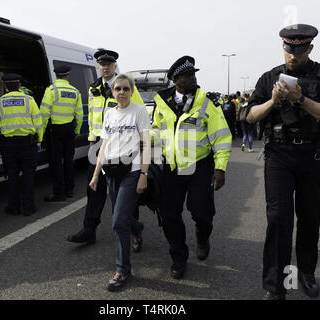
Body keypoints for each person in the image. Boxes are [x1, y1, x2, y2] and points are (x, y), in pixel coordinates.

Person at [246, 24, 320, 300]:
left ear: (310, 48)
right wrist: (273, 101)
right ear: (283, 47)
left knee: (309, 218)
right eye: (289, 48)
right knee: (278, 221)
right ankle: (276, 286)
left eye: (300, 49)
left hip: (312, 156)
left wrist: (301, 99)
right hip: (279, 156)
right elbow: (250, 115)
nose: (294, 54)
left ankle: (306, 273)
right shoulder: (269, 78)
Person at [151, 56, 232, 279]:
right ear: (176, 80)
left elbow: (222, 136)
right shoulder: (162, 102)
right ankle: (179, 257)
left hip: (199, 166)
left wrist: (220, 167)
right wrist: (146, 139)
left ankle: (202, 236)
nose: (193, 78)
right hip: (171, 167)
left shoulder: (206, 101)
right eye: (187, 76)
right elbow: (158, 130)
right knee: (169, 215)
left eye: (194, 74)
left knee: (202, 212)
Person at [67, 49, 145, 252]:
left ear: (114, 66)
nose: (105, 67)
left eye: (109, 64)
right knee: (94, 188)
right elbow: (93, 118)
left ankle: (133, 231)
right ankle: (89, 229)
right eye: (102, 64)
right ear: (98, 67)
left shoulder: (124, 86)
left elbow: (137, 114)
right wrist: (93, 141)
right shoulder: (93, 88)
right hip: (99, 144)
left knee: (125, 191)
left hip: (123, 146)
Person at [89, 74, 150, 291]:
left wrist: (143, 173)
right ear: (112, 92)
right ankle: (138, 227)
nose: (121, 92)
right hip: (110, 172)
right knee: (121, 218)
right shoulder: (109, 114)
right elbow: (103, 146)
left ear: (132, 91)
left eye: (125, 88)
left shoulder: (139, 111)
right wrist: (96, 174)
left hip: (131, 172)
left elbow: (146, 144)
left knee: (117, 222)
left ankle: (122, 269)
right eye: (117, 89)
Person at [0, 73, 44, 216]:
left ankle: (13, 207)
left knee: (12, 177)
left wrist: (1, 135)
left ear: (6, 87)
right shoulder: (29, 100)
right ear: (19, 86)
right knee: (28, 176)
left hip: (9, 145)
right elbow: (38, 123)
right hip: (28, 144)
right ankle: (28, 208)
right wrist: (39, 140)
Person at [41, 65, 83, 201]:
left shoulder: (51, 90)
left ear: (56, 75)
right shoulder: (75, 91)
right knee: (69, 161)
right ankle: (70, 190)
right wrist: (76, 131)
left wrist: (40, 134)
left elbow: (44, 113)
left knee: (56, 162)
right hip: (70, 130)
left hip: (55, 131)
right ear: (67, 75)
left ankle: (58, 193)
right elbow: (79, 115)